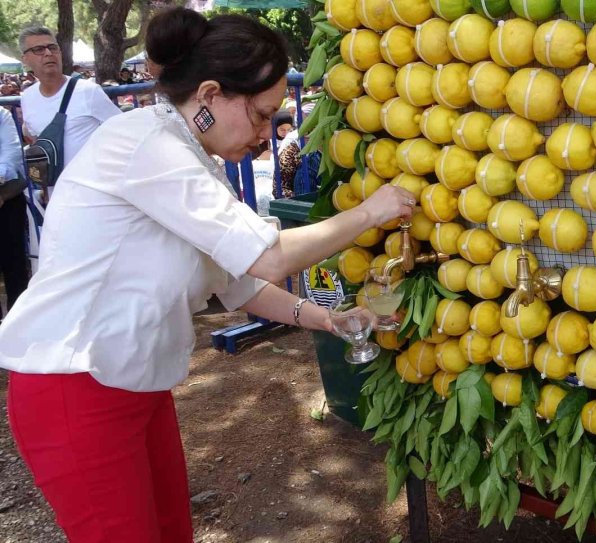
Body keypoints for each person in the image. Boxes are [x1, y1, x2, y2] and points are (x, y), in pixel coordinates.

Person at [0, 8, 415, 542]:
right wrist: (367, 214)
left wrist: (329, 321)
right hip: (74, 385)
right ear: (211, 94)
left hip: (134, 384)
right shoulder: (150, 145)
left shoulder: (195, 159)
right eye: (262, 114)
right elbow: (268, 258)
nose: (267, 134)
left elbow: (237, 282)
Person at [19, 27, 121, 167]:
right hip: (52, 186)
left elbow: (122, 129)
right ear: (24, 59)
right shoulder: (27, 98)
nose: (48, 53)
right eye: (39, 49)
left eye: (52, 47)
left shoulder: (88, 91)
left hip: (89, 184)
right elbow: (36, 138)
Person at [0, 106, 28, 322]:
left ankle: (18, 326)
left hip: (6, 197)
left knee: (15, 266)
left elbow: (11, 158)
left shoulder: (2, 115)